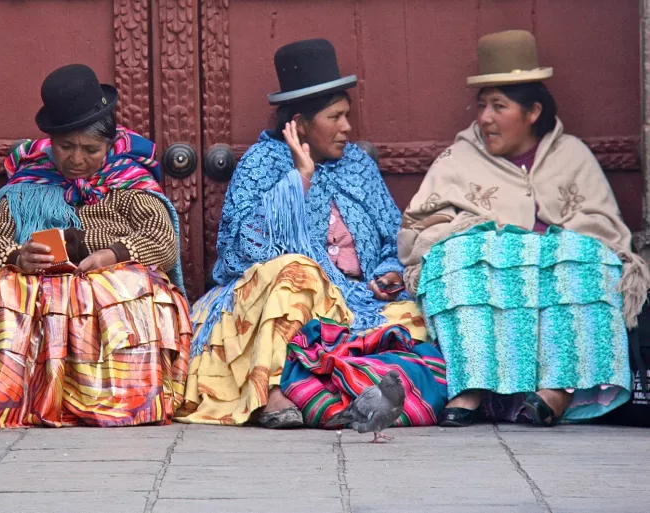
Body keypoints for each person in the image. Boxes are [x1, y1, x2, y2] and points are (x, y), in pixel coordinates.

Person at [178, 39, 447, 428]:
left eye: (346, 116)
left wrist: (386, 274)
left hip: (355, 298)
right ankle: (270, 391)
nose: (346, 128)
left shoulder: (357, 164)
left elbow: (393, 238)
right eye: (334, 117)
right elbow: (241, 251)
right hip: (275, 295)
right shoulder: (262, 164)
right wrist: (298, 181)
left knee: (411, 317)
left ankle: (349, 398)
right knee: (296, 272)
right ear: (299, 124)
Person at [398, 30, 649, 427]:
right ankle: (473, 386)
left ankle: (559, 390)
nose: (484, 118)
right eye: (482, 106)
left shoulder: (572, 156)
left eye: (499, 106)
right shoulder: (458, 158)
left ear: (532, 112)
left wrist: (546, 246)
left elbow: (606, 232)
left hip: (556, 267)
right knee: (458, 259)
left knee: (586, 259)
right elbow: (420, 233)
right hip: (492, 270)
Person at [0, 64, 192, 428]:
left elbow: (162, 241)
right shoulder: (25, 185)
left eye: (90, 149)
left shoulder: (129, 182)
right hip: (41, 280)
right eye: (66, 147)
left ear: (110, 146)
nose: (77, 159)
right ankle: (26, 404)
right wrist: (18, 256)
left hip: (109, 274)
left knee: (124, 285)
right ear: (50, 143)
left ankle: (120, 404)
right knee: (3, 287)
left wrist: (112, 255)